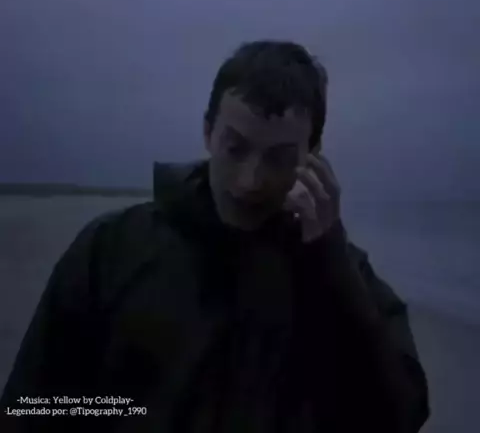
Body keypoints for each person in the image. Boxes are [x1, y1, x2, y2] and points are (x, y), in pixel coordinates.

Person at [0, 40, 429, 432]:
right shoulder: (111, 248)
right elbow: (32, 406)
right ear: (208, 131)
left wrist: (329, 262)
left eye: (279, 158)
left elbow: (397, 418)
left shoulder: (343, 275)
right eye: (235, 148)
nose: (249, 181)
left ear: (312, 156)